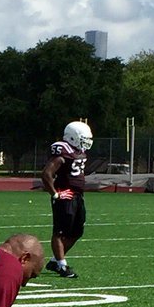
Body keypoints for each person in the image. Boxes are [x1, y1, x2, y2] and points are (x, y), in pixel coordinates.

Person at [41, 120, 93, 279]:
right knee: (60, 231)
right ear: (72, 137)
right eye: (83, 138)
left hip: (78, 195)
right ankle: (62, 266)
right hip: (65, 194)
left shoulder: (78, 151)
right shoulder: (63, 151)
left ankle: (55, 261)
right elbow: (46, 174)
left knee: (77, 231)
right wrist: (55, 194)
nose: (86, 142)